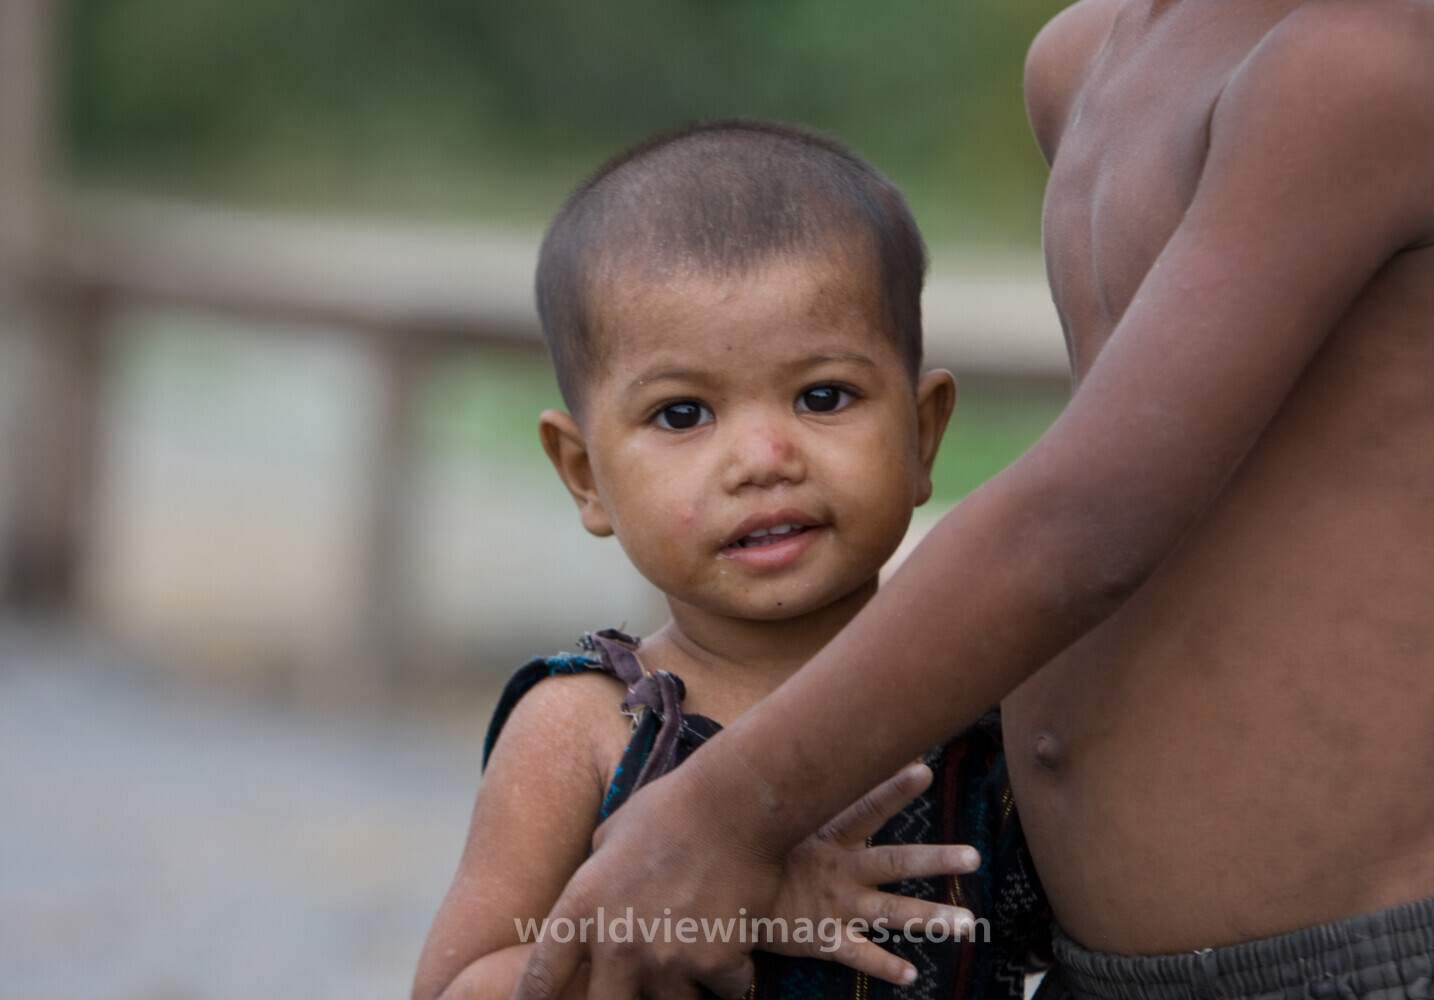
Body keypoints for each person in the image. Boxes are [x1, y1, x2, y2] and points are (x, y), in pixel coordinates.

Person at [512, 1, 1434, 998]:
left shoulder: (1370, 51)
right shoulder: (1089, 59)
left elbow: (1085, 519)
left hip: (1379, 956)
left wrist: (724, 810)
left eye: (822, 399)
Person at [411, 118, 1054, 1000]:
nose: (763, 458)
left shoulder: (986, 702)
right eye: (682, 414)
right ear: (584, 475)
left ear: (923, 433)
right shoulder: (585, 730)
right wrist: (729, 912)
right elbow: (459, 988)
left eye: (823, 396)